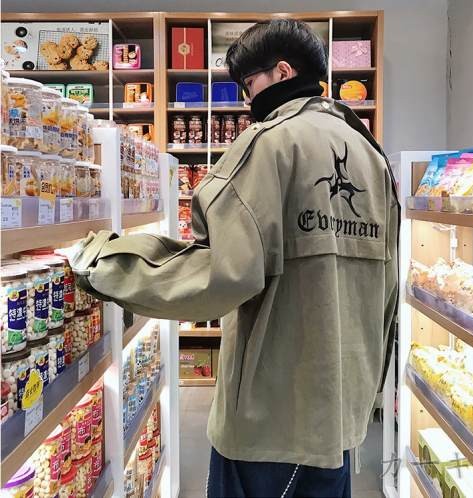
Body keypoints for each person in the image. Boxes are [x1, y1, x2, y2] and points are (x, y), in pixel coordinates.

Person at [71, 19, 399, 498]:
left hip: (272, 419)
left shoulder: (269, 144)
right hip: (342, 412)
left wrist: (106, 264)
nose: (247, 100)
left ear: (283, 72)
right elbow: (388, 287)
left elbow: (220, 274)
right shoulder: (371, 154)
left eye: (249, 83)